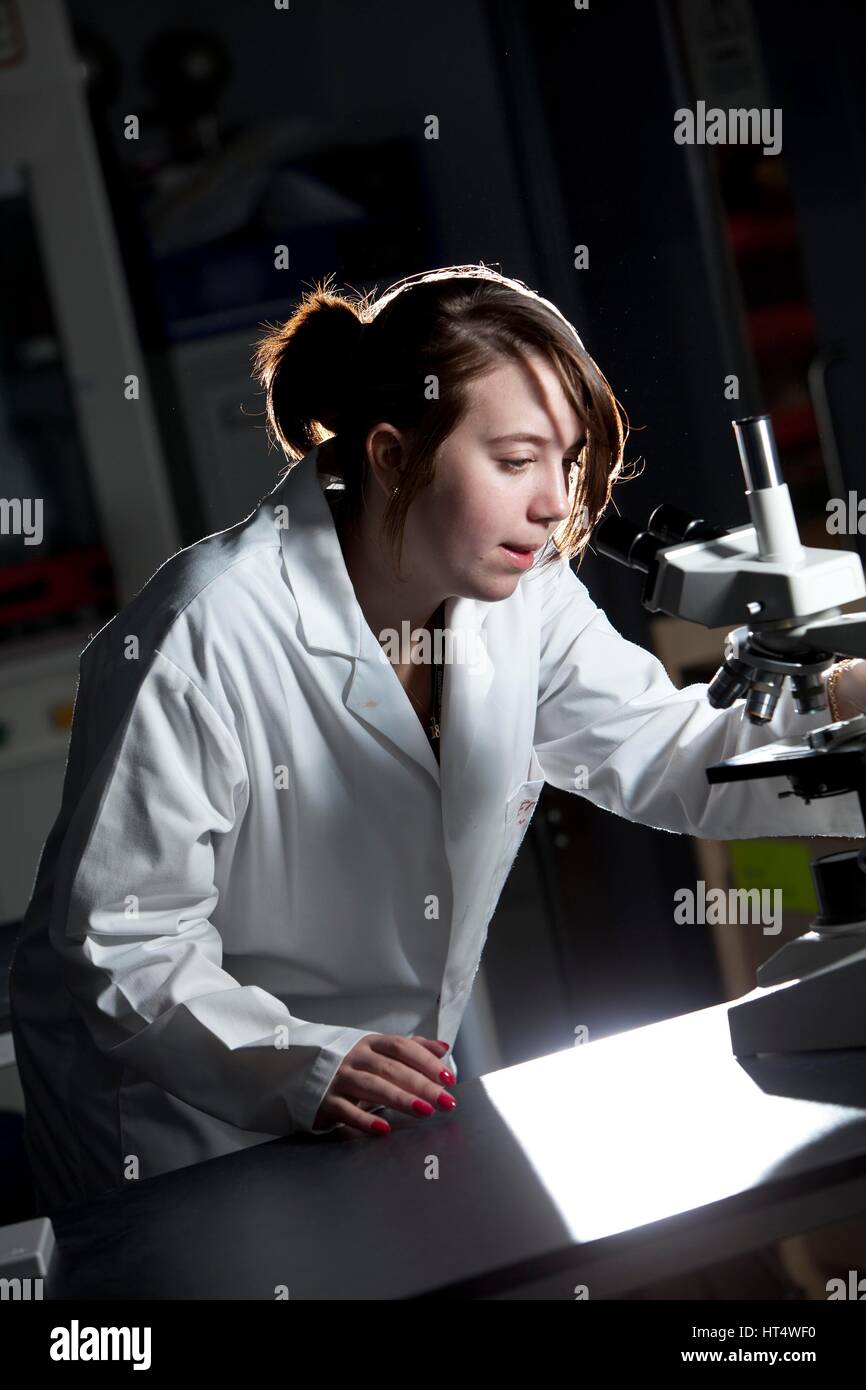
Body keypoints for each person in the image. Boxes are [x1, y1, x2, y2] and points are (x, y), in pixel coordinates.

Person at [9, 264, 865, 1214]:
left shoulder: (522, 597)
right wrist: (297, 1065)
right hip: (183, 1120)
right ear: (389, 454)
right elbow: (122, 940)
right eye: (514, 460)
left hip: (388, 1083)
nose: (553, 504)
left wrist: (844, 698)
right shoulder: (200, 637)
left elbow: (669, 756)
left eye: (568, 461)